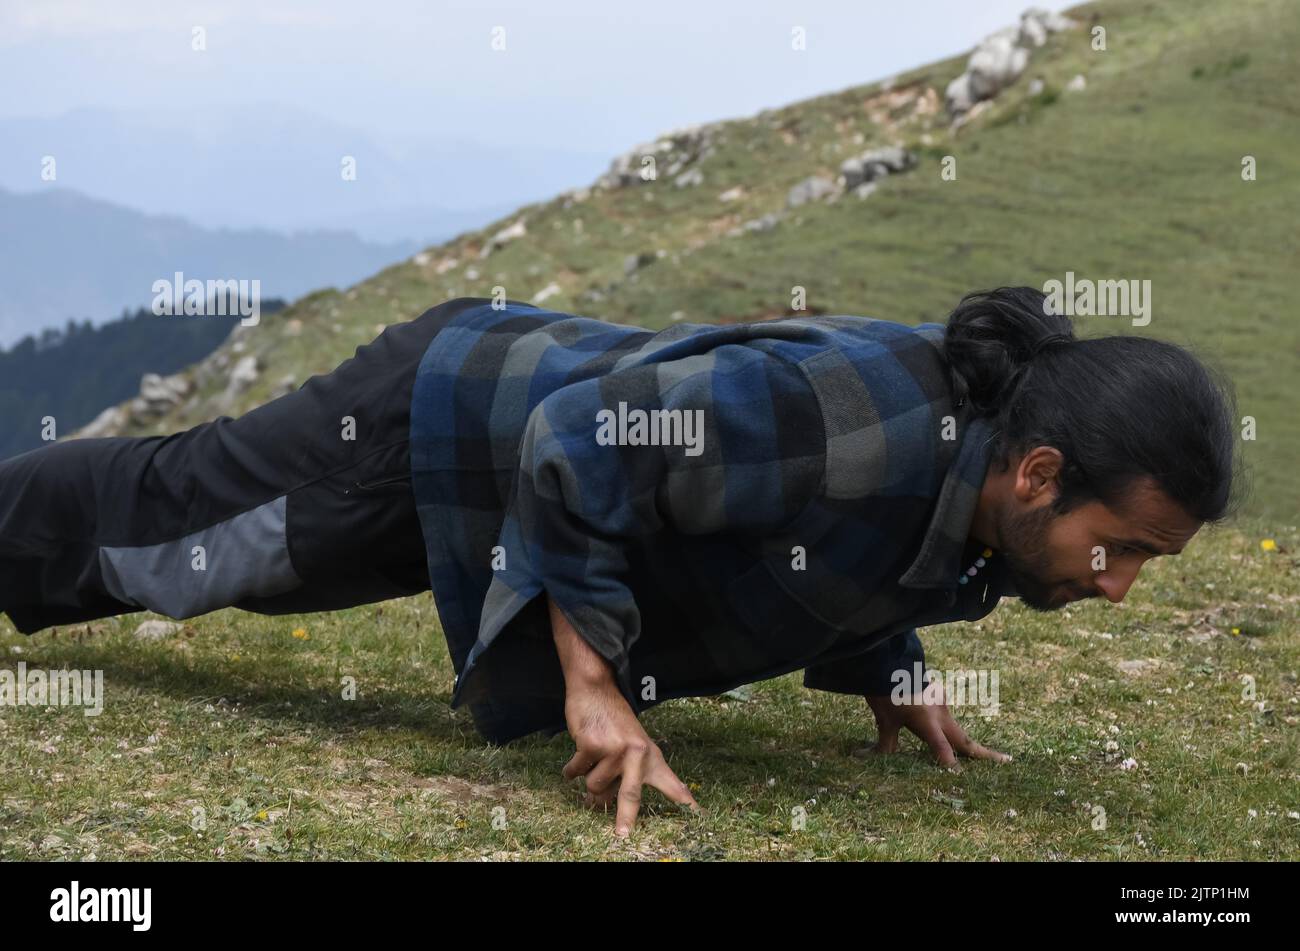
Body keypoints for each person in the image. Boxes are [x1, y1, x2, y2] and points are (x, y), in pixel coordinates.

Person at [0, 287, 1238, 836]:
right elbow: (582, 439)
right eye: (1117, 547)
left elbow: (845, 543)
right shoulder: (842, 418)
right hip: (447, 420)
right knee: (165, 543)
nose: (1116, 584)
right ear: (1038, 475)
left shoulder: (973, 468)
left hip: (506, 467)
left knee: (171, 538)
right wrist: (589, 682)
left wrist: (890, 664)